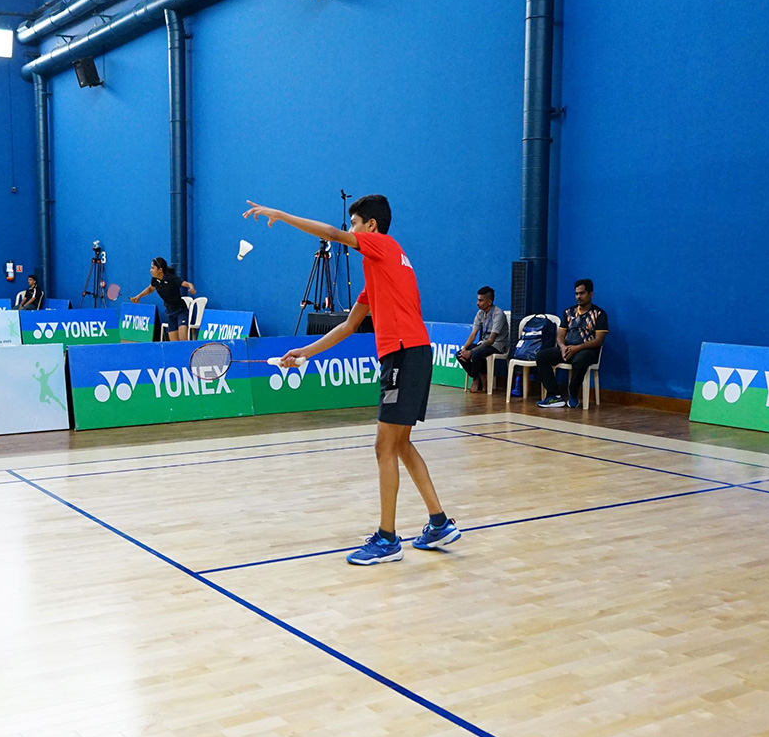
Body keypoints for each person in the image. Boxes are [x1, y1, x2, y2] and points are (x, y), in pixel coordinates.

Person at [244, 194, 459, 565]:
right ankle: (438, 522)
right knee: (400, 445)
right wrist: (304, 353)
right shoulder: (380, 267)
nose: (350, 230)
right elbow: (348, 324)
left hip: (405, 353)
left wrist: (280, 213)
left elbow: (329, 233)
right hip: (410, 353)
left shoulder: (382, 244)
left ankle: (388, 538)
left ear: (370, 226)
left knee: (384, 446)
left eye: (354, 223)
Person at [536, 279, 609, 409]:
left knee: (579, 361)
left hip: (587, 350)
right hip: (568, 349)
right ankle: (554, 395)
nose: (578, 297)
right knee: (542, 356)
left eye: (582, 293)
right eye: (576, 294)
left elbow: (599, 340)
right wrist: (563, 347)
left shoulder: (599, 314)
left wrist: (577, 348)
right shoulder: (568, 312)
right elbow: (560, 335)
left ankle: (573, 393)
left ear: (590, 293)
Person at [457, 286, 509, 392]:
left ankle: (475, 379)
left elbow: (491, 340)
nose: (477, 303)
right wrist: (464, 349)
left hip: (496, 345)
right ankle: (481, 375)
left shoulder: (498, 314)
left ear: (489, 302)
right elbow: (473, 335)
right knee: (459, 354)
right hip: (484, 343)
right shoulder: (480, 313)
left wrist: (471, 352)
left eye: (481, 300)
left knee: (475, 354)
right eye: (477, 300)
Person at [130, 258, 195, 341]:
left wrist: (191, 287)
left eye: (153, 268)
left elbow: (187, 284)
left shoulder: (171, 278)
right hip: (170, 312)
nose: (150, 270)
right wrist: (138, 296)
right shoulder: (155, 280)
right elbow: (150, 289)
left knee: (183, 340)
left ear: (160, 270)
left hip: (181, 311)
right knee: (173, 343)